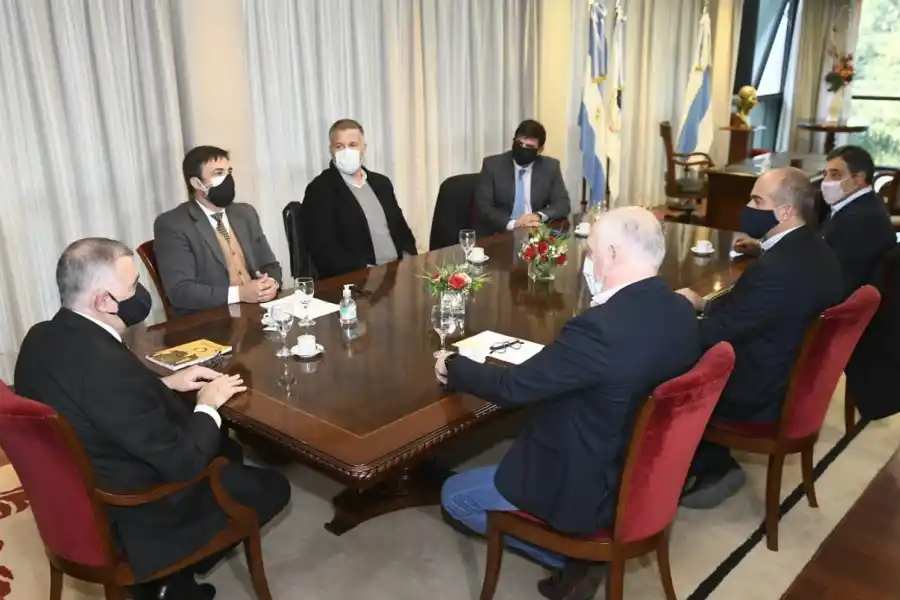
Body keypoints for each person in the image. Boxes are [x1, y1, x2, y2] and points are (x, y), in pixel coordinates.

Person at [436, 207, 702, 600]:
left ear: (612, 253)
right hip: (643, 467)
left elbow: (514, 388)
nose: (589, 263)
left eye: (591, 252)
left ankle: (574, 558)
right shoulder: (682, 309)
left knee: (455, 495)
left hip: (588, 482)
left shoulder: (599, 329)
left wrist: (454, 366)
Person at [14, 238, 291, 600]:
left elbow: (93, 399)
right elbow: (184, 463)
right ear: (102, 301)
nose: (141, 295)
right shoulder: (107, 368)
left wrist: (164, 383)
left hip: (74, 492)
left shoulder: (41, 337)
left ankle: (172, 579)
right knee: (271, 486)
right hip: (134, 511)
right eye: (132, 288)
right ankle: (164, 581)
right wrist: (208, 404)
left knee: (227, 453)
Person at [678, 168, 843, 509]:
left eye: (757, 200)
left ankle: (707, 464)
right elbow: (751, 310)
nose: (748, 207)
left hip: (759, 390)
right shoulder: (815, 248)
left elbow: (719, 333)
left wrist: (672, 319)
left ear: (785, 211)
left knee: (664, 362)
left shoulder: (777, 269)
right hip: (788, 370)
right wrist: (704, 303)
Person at [733, 146, 894, 298]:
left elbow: (824, 272)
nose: (827, 181)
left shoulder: (861, 220)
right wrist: (763, 249)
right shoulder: (856, 206)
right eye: (825, 174)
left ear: (859, 178)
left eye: (835, 175)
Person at [154, 146, 282, 318]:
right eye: (218, 173)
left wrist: (271, 284)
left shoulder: (245, 213)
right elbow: (180, 292)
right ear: (196, 183)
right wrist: (240, 294)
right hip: (210, 321)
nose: (227, 179)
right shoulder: (172, 224)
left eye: (229, 172)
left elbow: (271, 265)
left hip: (257, 315)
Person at [301, 119, 417, 279]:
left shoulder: (381, 183)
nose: (346, 151)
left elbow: (402, 230)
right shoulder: (320, 190)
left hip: (397, 273)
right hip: (358, 281)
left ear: (364, 148)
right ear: (331, 150)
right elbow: (324, 252)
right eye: (339, 146)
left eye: (353, 145)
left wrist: (408, 263)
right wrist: (369, 273)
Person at [475, 119, 571, 235]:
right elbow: (483, 206)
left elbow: (563, 204)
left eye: (529, 146)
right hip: (502, 232)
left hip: (534, 231)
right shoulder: (492, 165)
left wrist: (538, 216)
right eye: (520, 144)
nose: (523, 148)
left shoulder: (550, 167)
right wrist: (513, 223)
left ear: (539, 150)